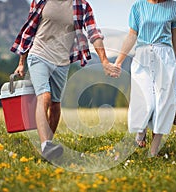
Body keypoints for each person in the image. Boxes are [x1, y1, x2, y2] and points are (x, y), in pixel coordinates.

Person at [10, 0, 119, 161]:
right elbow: (29, 31)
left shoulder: (82, 6)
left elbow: (94, 33)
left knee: (55, 105)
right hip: (39, 55)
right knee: (44, 96)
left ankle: (47, 147)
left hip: (61, 62)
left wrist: (104, 61)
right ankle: (45, 145)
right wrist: (21, 63)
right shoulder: (41, 1)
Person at [115, 0, 176, 156]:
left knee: (163, 103)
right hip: (142, 56)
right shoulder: (138, 7)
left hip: (165, 57)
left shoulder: (174, 7)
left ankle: (153, 152)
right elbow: (132, 35)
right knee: (146, 101)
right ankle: (140, 131)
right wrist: (118, 62)